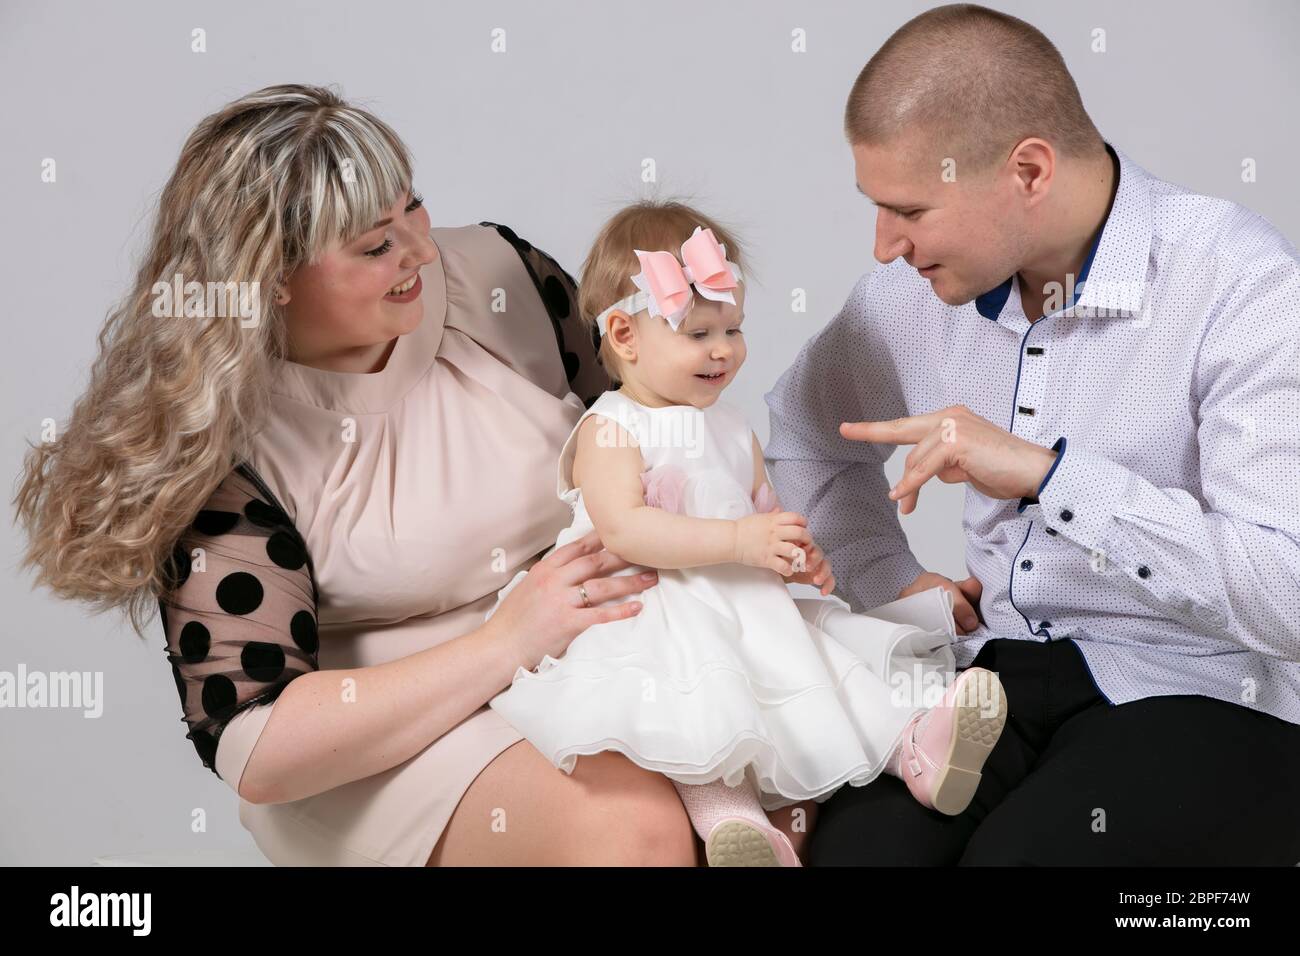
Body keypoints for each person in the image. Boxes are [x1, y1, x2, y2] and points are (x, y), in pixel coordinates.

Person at [12, 83, 682, 867]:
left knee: (795, 781)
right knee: (637, 833)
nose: (421, 253)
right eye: (374, 245)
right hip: (390, 742)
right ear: (272, 276)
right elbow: (258, 744)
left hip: (600, 660)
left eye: (414, 209)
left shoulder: (503, 280)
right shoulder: (227, 446)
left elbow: (655, 431)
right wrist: (510, 640)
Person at [765, 3, 1300, 865]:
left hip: (1201, 689)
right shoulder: (909, 298)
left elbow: (1290, 590)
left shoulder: (1242, 284)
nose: (882, 246)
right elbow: (806, 431)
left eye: (909, 209)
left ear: (1029, 171)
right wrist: (892, 584)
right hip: (991, 679)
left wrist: (1053, 476)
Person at [487, 201, 1009, 867]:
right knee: (697, 705)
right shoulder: (611, 426)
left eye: (733, 329)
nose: (724, 350)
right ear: (624, 335)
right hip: (655, 604)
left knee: (831, 665)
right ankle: (734, 825)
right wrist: (739, 542)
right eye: (700, 332)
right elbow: (624, 527)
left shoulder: (730, 425)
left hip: (744, 601)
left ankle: (917, 747)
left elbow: (765, 509)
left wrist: (797, 555)